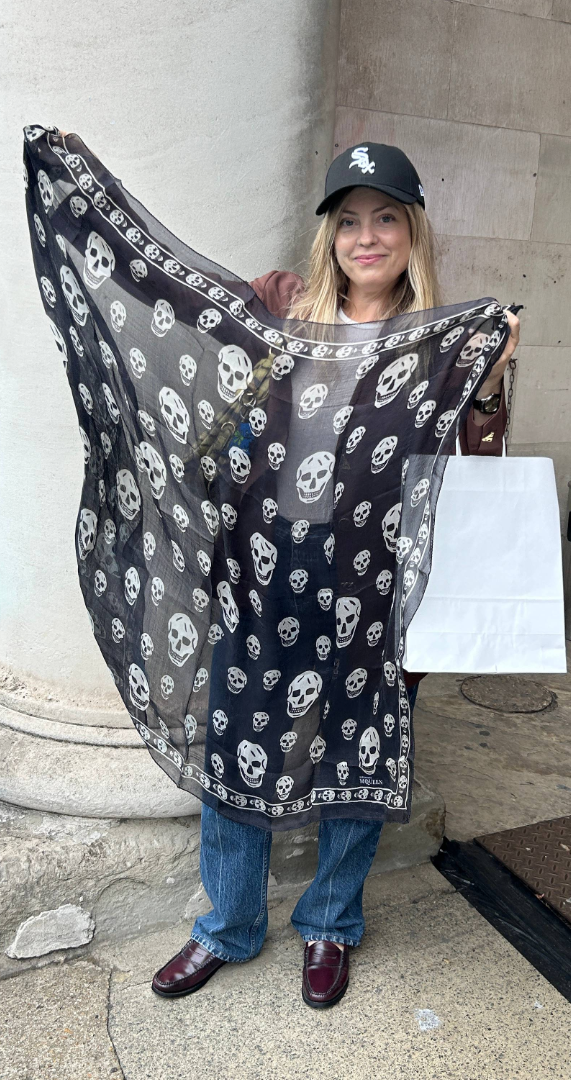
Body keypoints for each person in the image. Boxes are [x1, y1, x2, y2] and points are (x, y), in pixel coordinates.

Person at [151, 143, 520, 1008]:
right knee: (237, 745)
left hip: (378, 583)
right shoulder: (280, 303)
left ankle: (329, 924)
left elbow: (479, 467)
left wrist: (493, 386)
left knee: (361, 747)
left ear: (412, 229)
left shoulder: (443, 337)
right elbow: (195, 349)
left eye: (385, 216)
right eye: (349, 219)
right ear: (329, 234)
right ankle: (229, 927)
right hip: (269, 564)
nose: (367, 236)